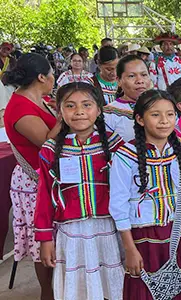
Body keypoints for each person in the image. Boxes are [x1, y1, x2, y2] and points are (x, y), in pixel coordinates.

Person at [34, 82, 125, 300]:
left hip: (110, 229)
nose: (80, 112)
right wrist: (45, 239)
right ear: (60, 112)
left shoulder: (115, 145)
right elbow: (45, 197)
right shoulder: (51, 150)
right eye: (71, 106)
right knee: (80, 289)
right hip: (72, 233)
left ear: (99, 109)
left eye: (87, 104)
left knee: (114, 286)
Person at [109, 90, 181, 299]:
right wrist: (129, 248)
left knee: (179, 286)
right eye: (155, 115)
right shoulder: (125, 156)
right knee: (146, 290)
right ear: (139, 119)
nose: (164, 121)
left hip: (178, 232)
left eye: (170, 114)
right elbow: (118, 203)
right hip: (143, 238)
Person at [4, 53, 61, 300]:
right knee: (43, 244)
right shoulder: (20, 108)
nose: (53, 78)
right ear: (41, 77)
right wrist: (66, 114)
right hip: (33, 183)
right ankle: (47, 294)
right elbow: (47, 143)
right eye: (51, 74)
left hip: (47, 178)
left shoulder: (40, 99)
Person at [104, 55, 153, 142]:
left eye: (144, 75)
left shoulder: (163, 107)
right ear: (119, 81)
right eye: (131, 76)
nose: (140, 80)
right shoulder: (108, 114)